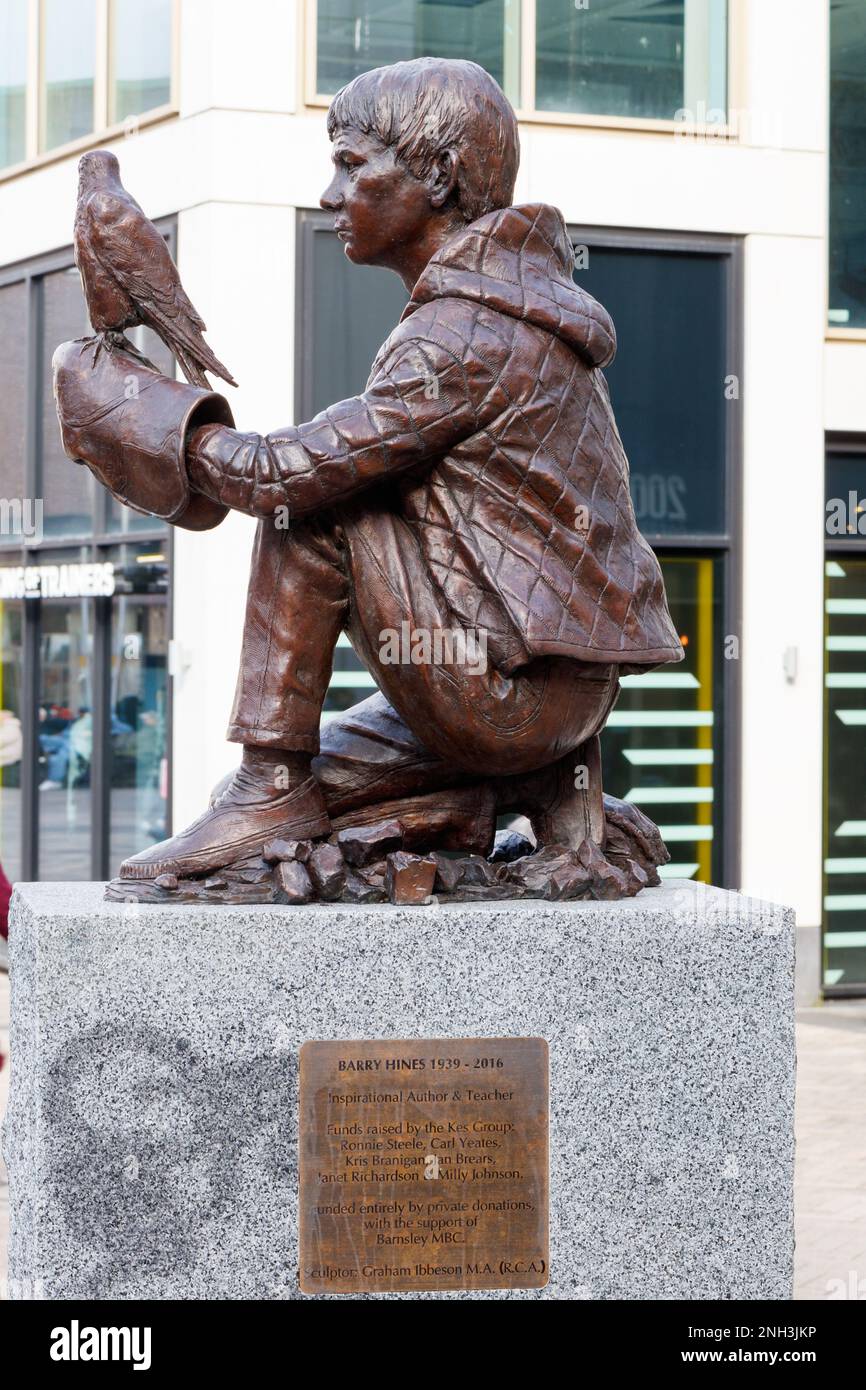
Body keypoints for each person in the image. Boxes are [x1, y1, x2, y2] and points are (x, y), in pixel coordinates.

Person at [53, 57, 682, 884]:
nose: (329, 194)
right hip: (550, 708)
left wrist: (144, 416)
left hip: (511, 702)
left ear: (439, 177)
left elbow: (282, 474)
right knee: (303, 792)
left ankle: (274, 782)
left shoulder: (465, 335)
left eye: (351, 164)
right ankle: (466, 797)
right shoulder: (525, 319)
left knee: (314, 503)